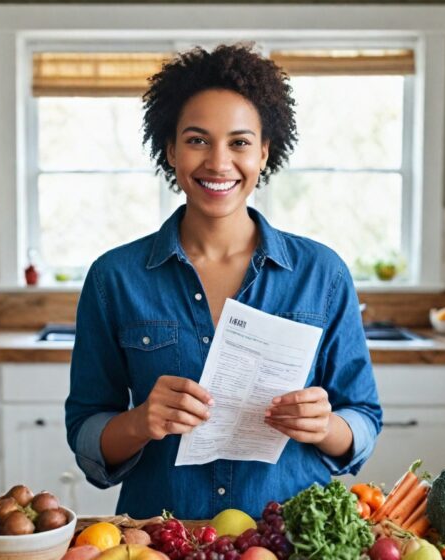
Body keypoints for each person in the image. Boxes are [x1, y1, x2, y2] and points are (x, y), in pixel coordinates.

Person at [65, 44, 382, 519]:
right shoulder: (114, 279)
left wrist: (326, 426)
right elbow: (87, 433)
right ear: (170, 149)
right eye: (197, 140)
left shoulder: (323, 273)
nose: (218, 162)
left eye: (239, 142)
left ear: (264, 152)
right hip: (159, 548)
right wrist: (139, 422)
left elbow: (364, 418)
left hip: (296, 543)